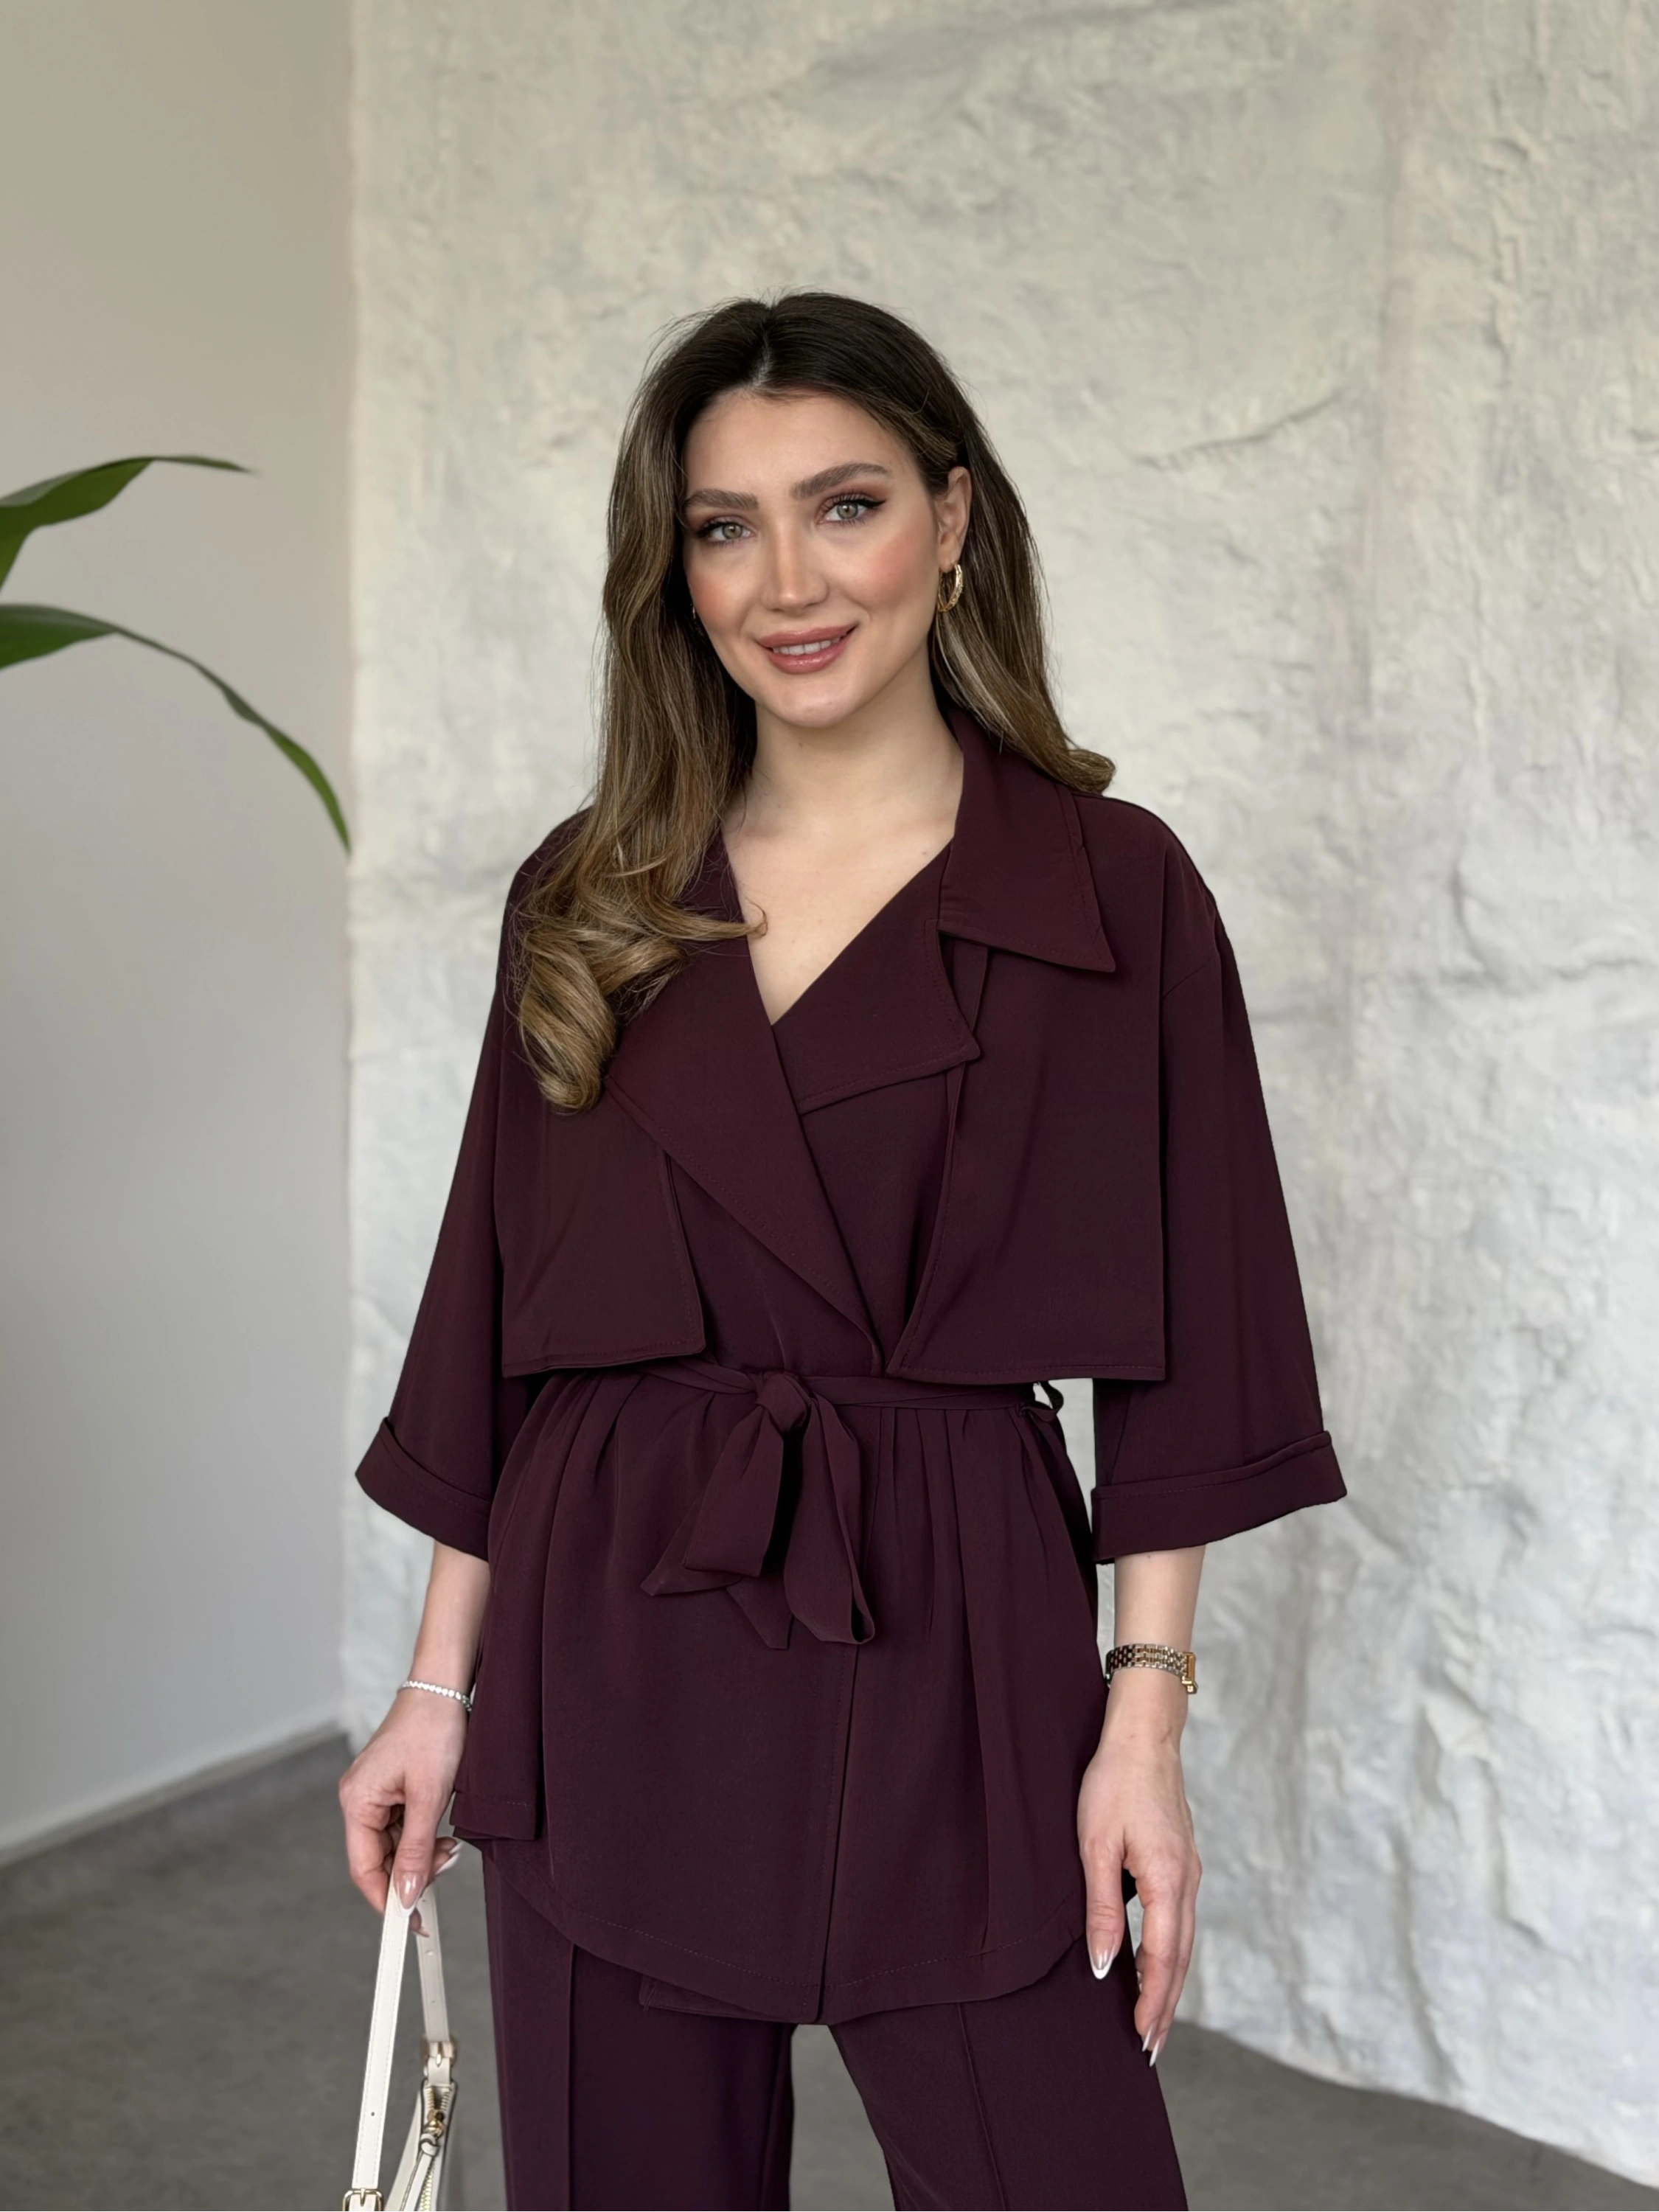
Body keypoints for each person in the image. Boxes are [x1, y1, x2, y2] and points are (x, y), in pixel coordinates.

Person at [338, 290, 1345, 2211]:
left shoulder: (1111, 890)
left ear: (953, 519)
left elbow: (1193, 1352)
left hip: (958, 1628)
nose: (788, 581)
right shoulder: (593, 890)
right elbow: (501, 1318)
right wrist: (437, 1690)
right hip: (615, 1624)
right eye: (726, 526)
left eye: (847, 505)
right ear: (675, 570)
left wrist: (1142, 1728)